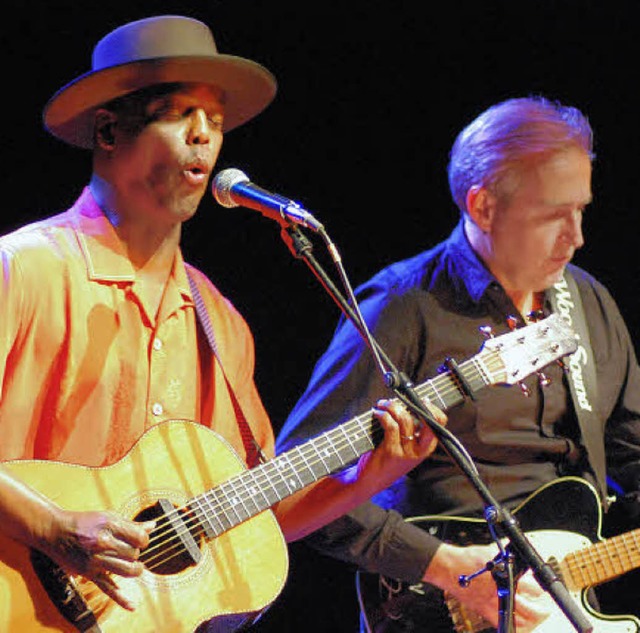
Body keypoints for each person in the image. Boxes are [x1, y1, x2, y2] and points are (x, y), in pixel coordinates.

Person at [0, 14, 446, 633]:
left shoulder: (219, 322)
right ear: (108, 130)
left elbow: (251, 515)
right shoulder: (26, 269)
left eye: (214, 121)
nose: (204, 137)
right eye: (179, 113)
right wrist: (54, 527)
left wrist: (372, 475)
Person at [276, 96, 640, 632]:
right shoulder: (401, 307)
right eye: (553, 214)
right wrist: (442, 567)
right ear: (483, 206)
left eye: (581, 209)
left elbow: (630, 454)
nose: (577, 236)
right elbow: (295, 486)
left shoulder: (589, 303)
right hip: (435, 607)